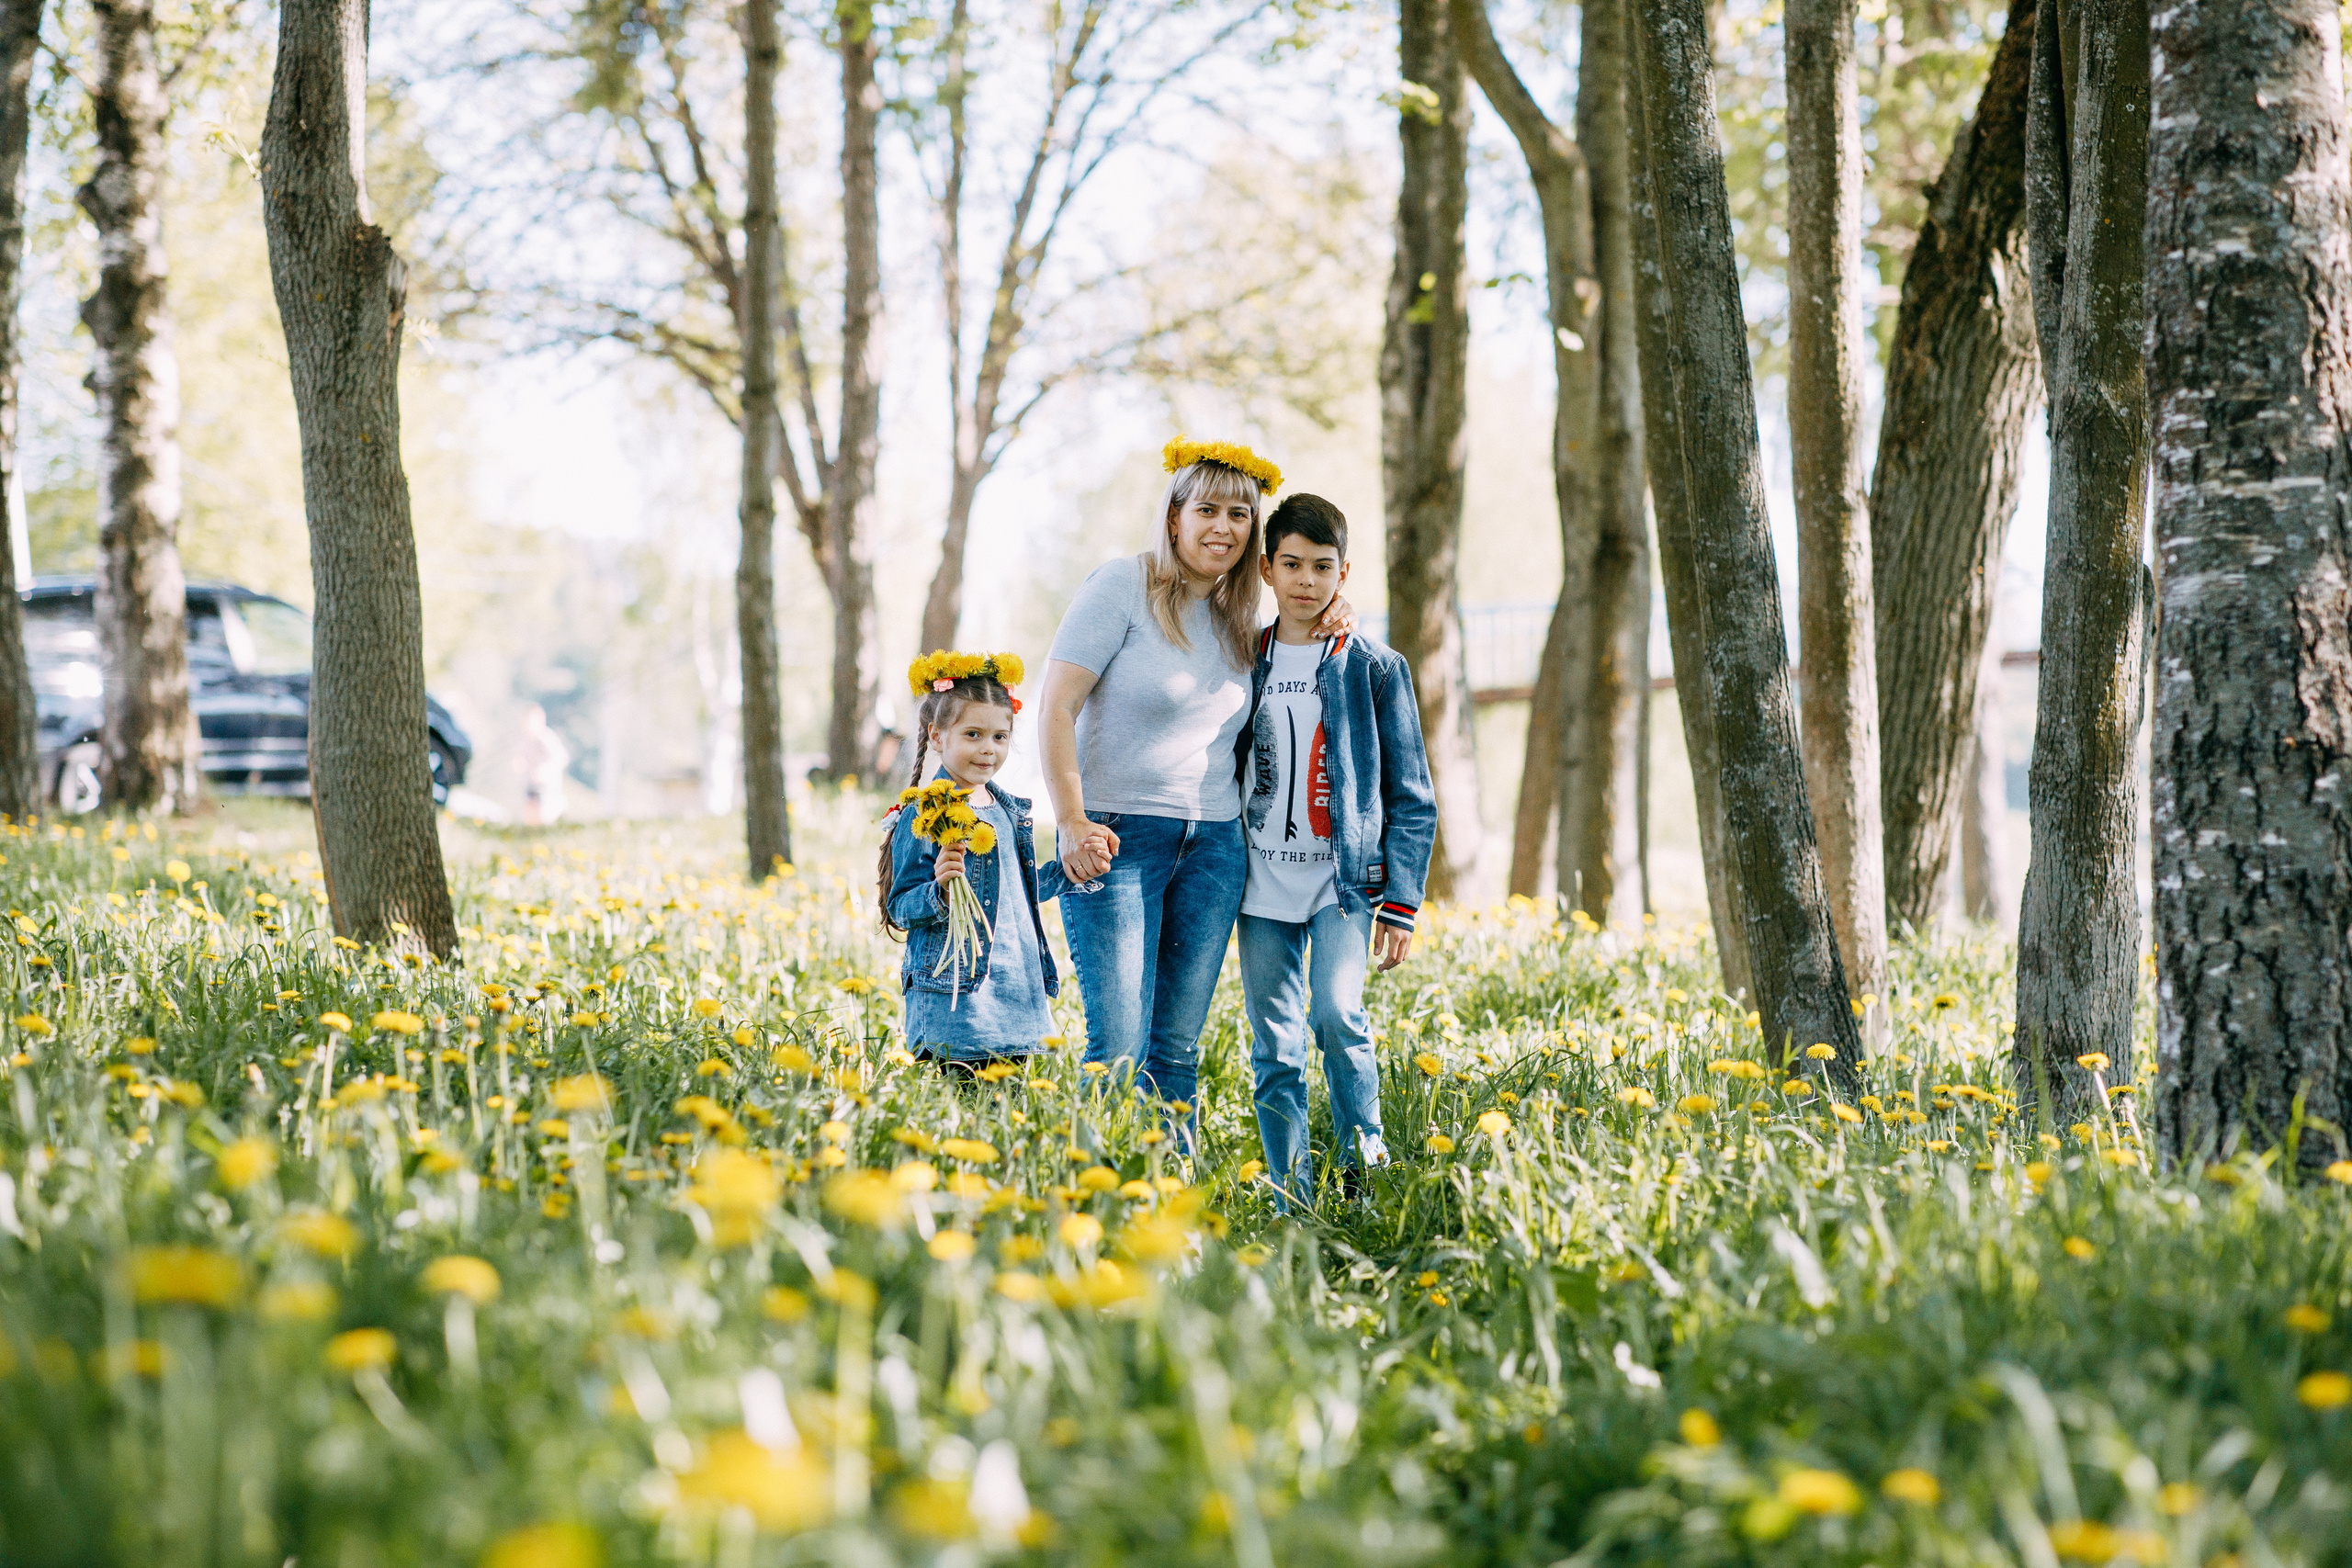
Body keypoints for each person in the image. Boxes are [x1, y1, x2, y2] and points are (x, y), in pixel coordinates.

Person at [1039, 436, 1351, 1142]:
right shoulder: (1121, 586)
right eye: (1207, 509)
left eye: (1241, 514)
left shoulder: (1241, 619)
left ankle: (1167, 1211)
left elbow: (1303, 650)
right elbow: (1056, 706)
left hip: (1215, 846)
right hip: (1116, 838)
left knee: (1175, 1052)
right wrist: (1070, 820)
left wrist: (1336, 614)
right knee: (1117, 1048)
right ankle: (1096, 1196)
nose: (1224, 527)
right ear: (1174, 515)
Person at [1236, 492, 1436, 1207]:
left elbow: (1412, 793)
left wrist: (1402, 902)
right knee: (1276, 1043)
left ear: (1344, 572)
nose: (1305, 581)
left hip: (1343, 886)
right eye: (1291, 563)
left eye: (1322, 566)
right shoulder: (1241, 659)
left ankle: (1365, 1171)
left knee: (1336, 1013)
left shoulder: (1374, 667)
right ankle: (1289, 1189)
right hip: (1258, 886)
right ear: (1265, 567)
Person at [880, 654, 1084, 1074]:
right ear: (937, 736)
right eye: (973, 734)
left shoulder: (1008, 812)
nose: (988, 749)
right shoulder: (926, 815)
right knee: (964, 1113)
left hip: (1016, 994)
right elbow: (900, 906)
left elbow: (1019, 889)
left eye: (1000, 737)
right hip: (958, 999)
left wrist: (1070, 870)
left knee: (1008, 1120)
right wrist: (938, 891)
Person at [517, 704, 571, 826]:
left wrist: (545, 769)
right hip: (530, 784)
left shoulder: (546, 738)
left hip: (546, 786)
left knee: (544, 815)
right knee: (530, 814)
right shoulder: (523, 739)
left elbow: (562, 758)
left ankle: (560, 805)